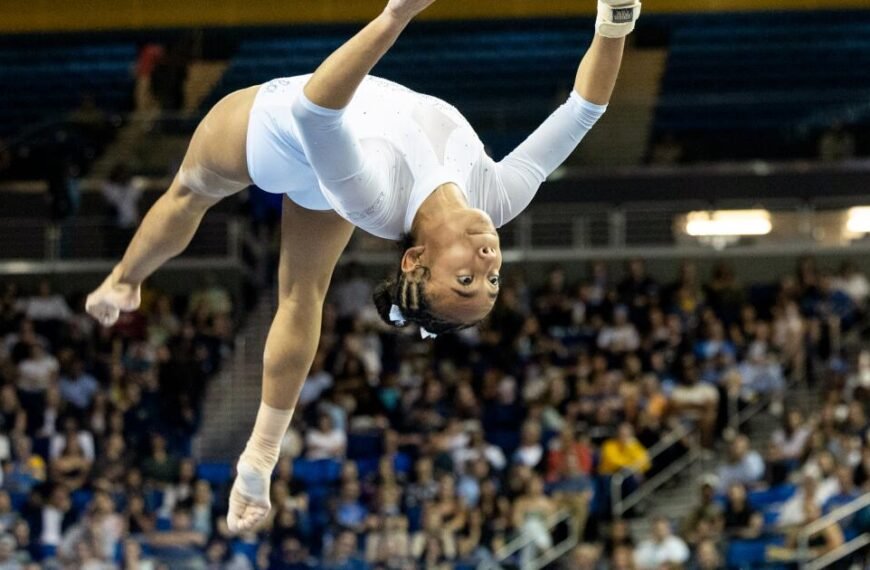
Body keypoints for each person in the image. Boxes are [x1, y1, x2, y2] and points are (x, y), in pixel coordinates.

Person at [84, 0, 640, 533]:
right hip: (326, 165)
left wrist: (395, 15)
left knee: (191, 191)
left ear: (415, 259)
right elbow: (584, 110)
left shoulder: (375, 199)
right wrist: (613, 20)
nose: (488, 262)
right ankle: (258, 457)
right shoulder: (496, 198)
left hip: (278, 135)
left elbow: (313, 110)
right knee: (302, 294)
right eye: (491, 280)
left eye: (465, 278)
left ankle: (124, 282)